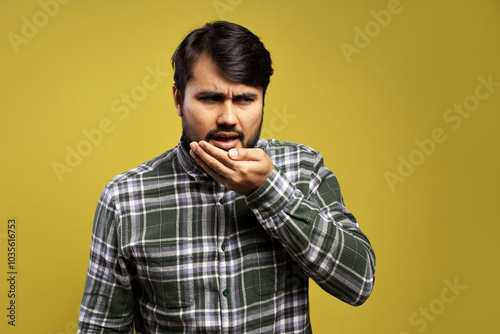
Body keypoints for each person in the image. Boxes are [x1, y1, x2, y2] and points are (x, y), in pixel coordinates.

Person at [78, 21, 376, 333]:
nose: (228, 118)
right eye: (210, 98)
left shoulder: (303, 168)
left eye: (245, 99)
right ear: (179, 100)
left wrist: (269, 191)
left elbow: (359, 284)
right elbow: (102, 328)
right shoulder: (125, 199)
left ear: (262, 100)